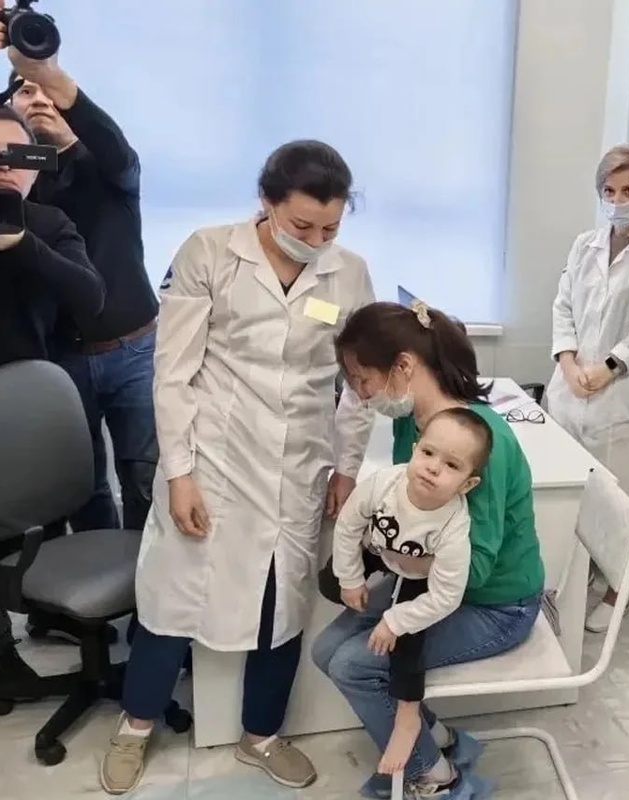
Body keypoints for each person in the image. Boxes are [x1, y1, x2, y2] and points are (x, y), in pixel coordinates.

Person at [98, 140, 376, 795]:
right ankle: (136, 725)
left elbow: (358, 385)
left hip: (297, 466)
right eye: (302, 225)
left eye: (330, 229)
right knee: (175, 599)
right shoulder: (210, 252)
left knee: (281, 608)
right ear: (267, 202)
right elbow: (173, 373)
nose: (316, 241)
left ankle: (261, 736)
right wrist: (179, 474)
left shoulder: (349, 273)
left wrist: (346, 467)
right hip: (214, 460)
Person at [314, 300, 546, 798]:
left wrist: (388, 553)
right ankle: (439, 739)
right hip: (426, 584)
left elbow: (471, 572)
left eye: (364, 380)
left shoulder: (479, 442)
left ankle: (437, 778)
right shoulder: (412, 425)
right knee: (326, 651)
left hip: (495, 604)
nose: (362, 395)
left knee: (355, 664)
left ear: (403, 366)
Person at [0, 35, 160, 534]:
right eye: (26, 91)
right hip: (60, 356)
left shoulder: (108, 170)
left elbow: (113, 145)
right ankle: (95, 570)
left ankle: (147, 573)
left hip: (134, 351)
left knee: (146, 475)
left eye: (50, 93)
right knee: (83, 485)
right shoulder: (11, 186)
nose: (40, 98)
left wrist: (49, 75)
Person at [0, 101, 103, 709]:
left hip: (23, 408)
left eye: (17, 155)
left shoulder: (49, 224)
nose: (3, 166)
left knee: (30, 521)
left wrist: (21, 243)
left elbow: (90, 298)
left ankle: (46, 613)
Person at [547, 143, 629, 633]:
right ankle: (580, 572)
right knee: (573, 493)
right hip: (571, 390)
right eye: (609, 190)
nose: (618, 199)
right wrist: (567, 362)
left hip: (621, 394)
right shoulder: (584, 244)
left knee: (623, 503)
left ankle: (614, 589)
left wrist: (608, 367)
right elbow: (563, 305)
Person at [329, 406, 491, 777]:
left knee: (407, 645)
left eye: (451, 465)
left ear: (467, 484)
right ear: (415, 450)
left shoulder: (454, 527)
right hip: (379, 548)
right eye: (428, 453)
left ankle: (408, 717)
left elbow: (447, 595)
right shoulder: (386, 482)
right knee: (330, 583)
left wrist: (396, 621)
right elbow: (349, 524)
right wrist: (349, 578)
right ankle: (431, 732)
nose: (433, 468)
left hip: (418, 576)